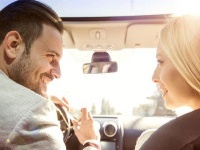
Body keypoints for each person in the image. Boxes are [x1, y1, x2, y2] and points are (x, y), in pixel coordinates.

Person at [0, 0, 100, 150]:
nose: (58, 74)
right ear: (13, 45)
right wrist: (91, 141)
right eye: (50, 56)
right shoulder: (33, 113)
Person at [135, 14, 200, 150]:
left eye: (161, 62)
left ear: (189, 62)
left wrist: (91, 142)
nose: (154, 77)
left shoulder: (170, 142)